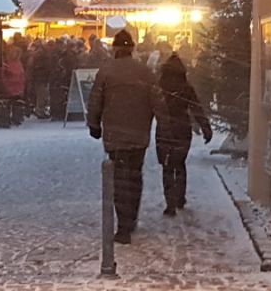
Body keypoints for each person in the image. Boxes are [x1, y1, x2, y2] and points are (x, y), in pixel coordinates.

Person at [87, 30, 162, 244]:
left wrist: (94, 124)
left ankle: (123, 225)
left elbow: (95, 100)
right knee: (134, 176)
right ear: (132, 48)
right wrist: (163, 124)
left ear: (115, 48)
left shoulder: (106, 71)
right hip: (139, 134)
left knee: (119, 179)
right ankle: (131, 217)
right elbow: (158, 101)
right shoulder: (145, 72)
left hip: (115, 134)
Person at [154, 53, 212, 216]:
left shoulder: (159, 85)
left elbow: (151, 107)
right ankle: (180, 197)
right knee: (179, 164)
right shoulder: (186, 87)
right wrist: (205, 127)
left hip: (164, 129)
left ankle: (170, 203)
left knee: (167, 166)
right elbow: (196, 108)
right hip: (182, 129)